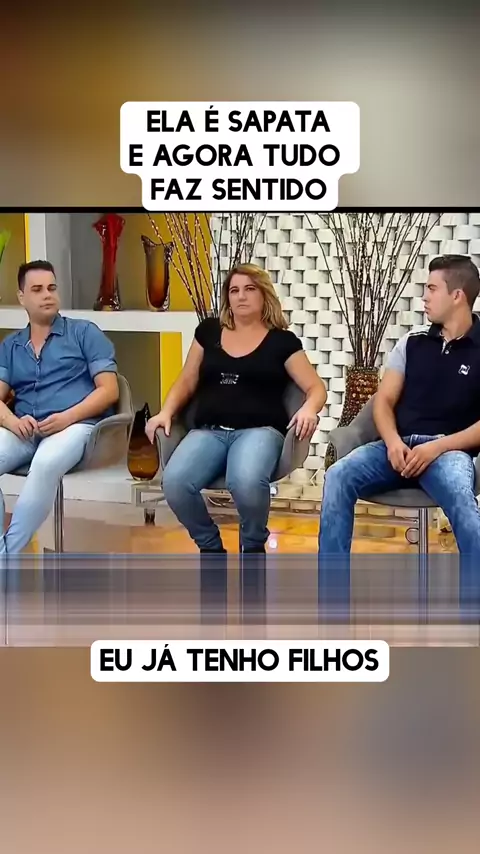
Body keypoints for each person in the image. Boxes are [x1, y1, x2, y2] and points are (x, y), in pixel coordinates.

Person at [146, 263, 327, 554]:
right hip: (209, 431)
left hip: (260, 431)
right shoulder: (208, 332)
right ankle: (210, 546)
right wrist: (166, 411)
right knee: (175, 483)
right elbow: (187, 379)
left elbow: (316, 387)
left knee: (244, 482)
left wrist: (309, 409)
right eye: (234, 290)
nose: (241, 296)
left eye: (249, 289)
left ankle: (253, 545)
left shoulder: (282, 341)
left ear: (263, 295)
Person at [319, 254, 480, 557]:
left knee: (462, 499)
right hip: (395, 447)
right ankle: (331, 586)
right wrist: (392, 442)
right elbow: (383, 401)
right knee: (338, 476)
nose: (424, 297)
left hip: (448, 452)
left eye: (432, 288)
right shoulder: (411, 342)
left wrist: (437, 447)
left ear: (457, 296)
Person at [0, 260, 119, 554]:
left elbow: (109, 390)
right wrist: (13, 422)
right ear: (21, 297)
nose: (47, 295)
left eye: (52, 288)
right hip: (25, 429)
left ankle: (7, 555)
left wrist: (67, 417)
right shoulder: (11, 346)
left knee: (45, 463)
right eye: (38, 289)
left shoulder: (84, 333)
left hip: (75, 425)